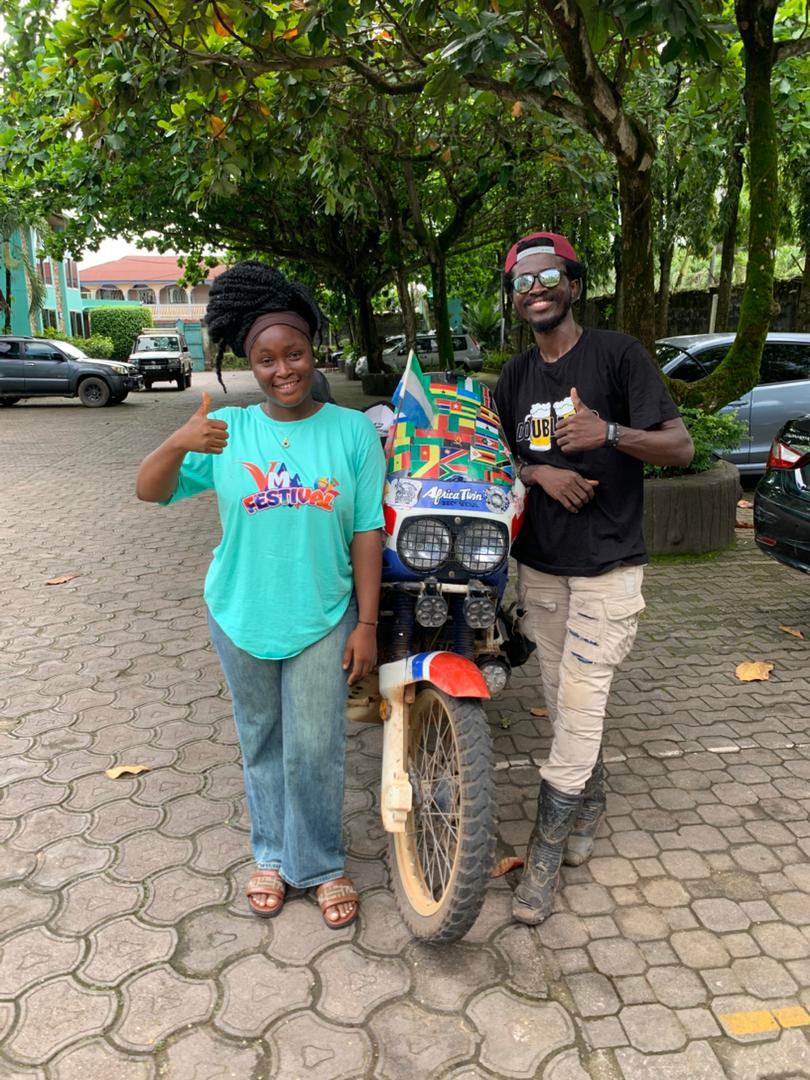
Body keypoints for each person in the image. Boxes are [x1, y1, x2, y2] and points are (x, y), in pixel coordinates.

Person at [135, 261, 386, 929]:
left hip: (323, 616)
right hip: (239, 613)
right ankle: (271, 855)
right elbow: (149, 490)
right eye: (266, 359)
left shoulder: (353, 431)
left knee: (317, 747)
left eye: (293, 353)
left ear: (313, 350)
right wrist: (178, 439)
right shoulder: (228, 430)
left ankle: (321, 864)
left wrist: (366, 623)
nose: (283, 370)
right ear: (249, 363)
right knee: (262, 741)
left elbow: (367, 531)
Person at [494, 232, 694, 925]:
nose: (536, 289)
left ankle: (543, 858)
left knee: (579, 702)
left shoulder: (618, 355)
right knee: (563, 699)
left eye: (549, 276)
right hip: (541, 567)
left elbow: (680, 447)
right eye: (522, 281)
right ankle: (592, 801)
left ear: (574, 285)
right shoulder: (514, 377)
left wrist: (607, 434)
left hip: (609, 567)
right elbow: (498, 456)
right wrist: (539, 472)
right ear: (514, 298)